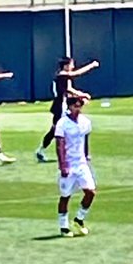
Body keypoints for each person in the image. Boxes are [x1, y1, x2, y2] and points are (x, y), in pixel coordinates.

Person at [35, 56, 98, 162]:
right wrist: (91, 65)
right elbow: (75, 75)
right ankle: (41, 150)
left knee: (79, 124)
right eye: (71, 64)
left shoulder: (65, 77)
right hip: (60, 106)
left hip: (65, 105)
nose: (73, 66)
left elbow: (69, 89)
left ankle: (82, 153)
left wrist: (82, 95)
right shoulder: (62, 74)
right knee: (55, 130)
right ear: (66, 65)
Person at [55, 94, 96, 237]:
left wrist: (86, 155)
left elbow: (85, 139)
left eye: (80, 106)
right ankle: (63, 226)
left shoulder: (85, 122)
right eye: (75, 106)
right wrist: (63, 165)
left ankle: (79, 219)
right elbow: (59, 145)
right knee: (65, 196)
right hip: (69, 164)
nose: (78, 109)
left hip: (81, 163)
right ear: (69, 106)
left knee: (90, 192)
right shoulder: (62, 124)